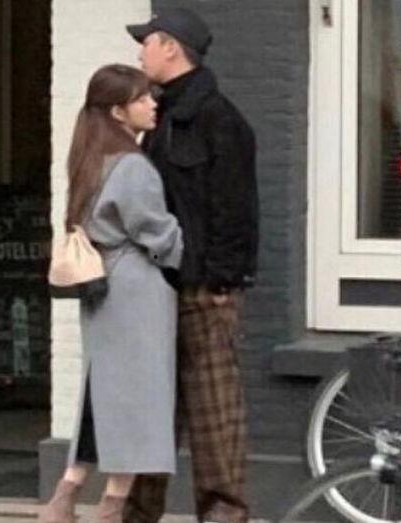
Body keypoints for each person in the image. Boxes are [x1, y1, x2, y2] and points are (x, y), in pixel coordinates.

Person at [124, 8, 259, 523]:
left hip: (203, 291)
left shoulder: (220, 120)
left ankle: (223, 517)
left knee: (214, 418)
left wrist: (220, 283)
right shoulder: (157, 117)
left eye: (147, 42)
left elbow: (237, 210)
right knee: (150, 413)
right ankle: (137, 514)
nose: (140, 53)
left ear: (171, 47)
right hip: (158, 290)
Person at [39, 64, 183, 523]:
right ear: (119, 111)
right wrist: (182, 250)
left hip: (101, 287)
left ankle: (64, 496)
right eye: (142, 99)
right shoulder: (133, 166)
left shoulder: (88, 158)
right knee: (139, 398)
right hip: (135, 290)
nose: (153, 104)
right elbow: (156, 233)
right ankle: (112, 507)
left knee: (102, 392)